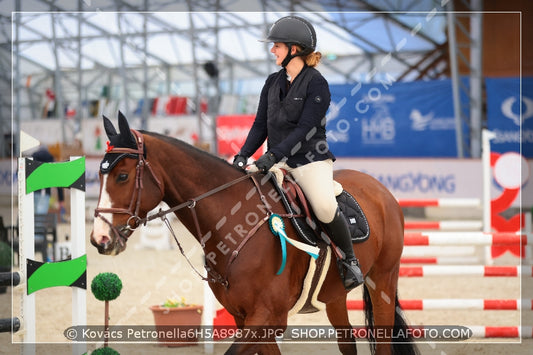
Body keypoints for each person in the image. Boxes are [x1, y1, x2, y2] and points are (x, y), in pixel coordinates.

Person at [232, 15, 363, 290]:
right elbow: (260, 124)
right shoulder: (271, 82)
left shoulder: (317, 84)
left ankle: (350, 260)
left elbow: (305, 128)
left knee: (325, 207)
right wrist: (243, 154)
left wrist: (273, 155)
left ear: (294, 49)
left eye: (276, 46)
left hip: (309, 161)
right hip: (276, 160)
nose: (272, 51)